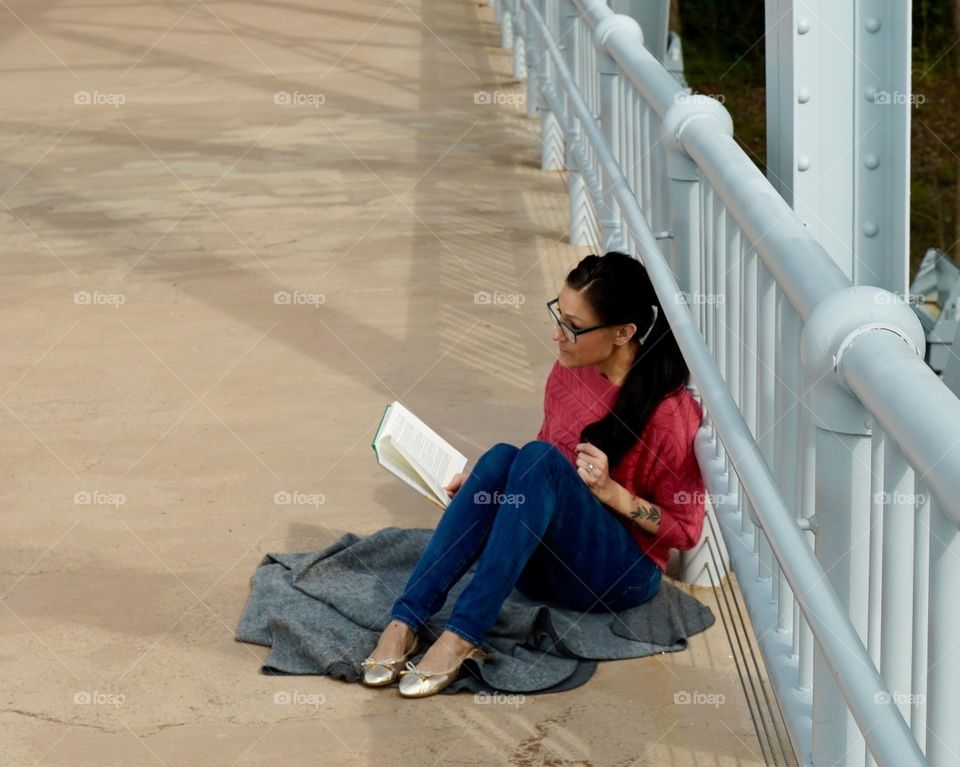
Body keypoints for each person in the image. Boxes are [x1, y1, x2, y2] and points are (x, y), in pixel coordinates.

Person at [360, 251, 707, 697]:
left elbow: (684, 533)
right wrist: (485, 497)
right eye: (558, 315)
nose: (557, 334)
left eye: (573, 326)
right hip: (544, 568)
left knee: (535, 457)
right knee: (502, 459)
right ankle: (404, 622)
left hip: (618, 577)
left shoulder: (670, 414)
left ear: (624, 333)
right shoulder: (569, 372)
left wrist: (611, 492)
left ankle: (462, 635)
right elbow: (542, 473)